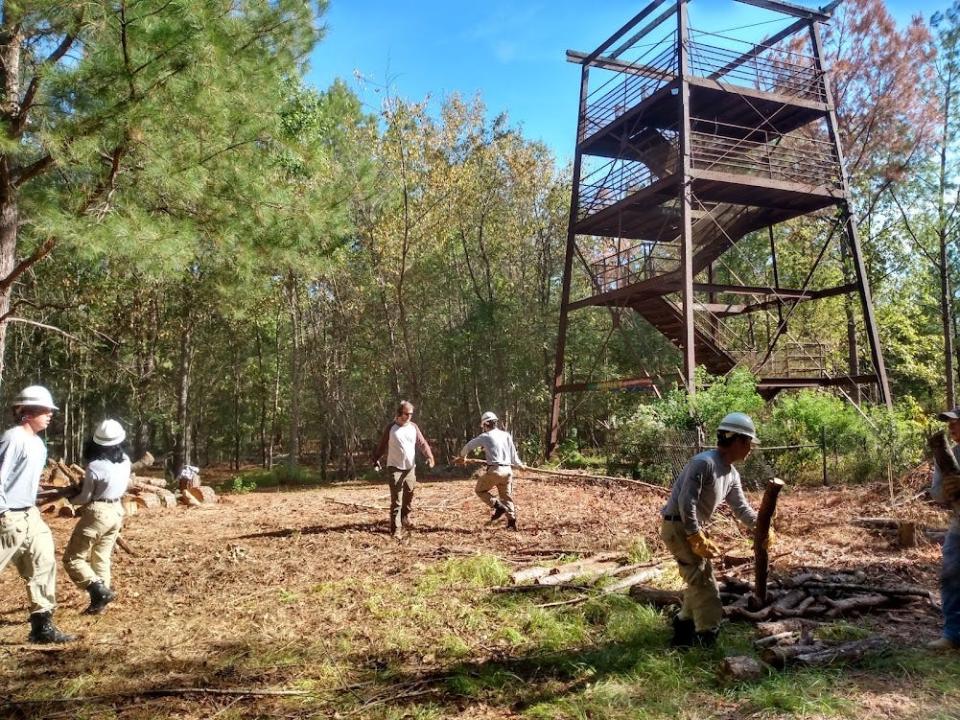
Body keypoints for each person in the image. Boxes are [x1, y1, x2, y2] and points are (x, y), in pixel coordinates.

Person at [660, 412, 774, 648]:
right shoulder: (704, 463)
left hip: (691, 529)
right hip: (678, 526)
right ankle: (706, 639)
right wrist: (693, 534)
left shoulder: (731, 474)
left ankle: (682, 632)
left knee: (698, 579)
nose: (751, 449)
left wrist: (762, 529)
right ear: (739, 441)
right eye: (749, 443)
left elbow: (741, 508)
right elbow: (686, 501)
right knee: (705, 585)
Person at [0, 385, 75, 643]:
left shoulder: (38, 444)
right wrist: (3, 512)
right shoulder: (13, 438)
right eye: (45, 410)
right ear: (27, 412)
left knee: (43, 562)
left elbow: (26, 483)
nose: (50, 414)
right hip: (7, 517)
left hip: (30, 515)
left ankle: (41, 626)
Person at [62, 419, 131, 615]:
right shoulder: (125, 460)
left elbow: (85, 497)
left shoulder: (95, 466)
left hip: (98, 512)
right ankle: (100, 603)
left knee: (73, 559)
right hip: (117, 511)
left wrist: (72, 500)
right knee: (101, 557)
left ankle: (97, 590)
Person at [372, 401, 435, 539]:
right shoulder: (391, 428)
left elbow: (422, 443)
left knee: (409, 494)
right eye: (407, 414)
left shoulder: (413, 427)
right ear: (399, 413)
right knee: (397, 500)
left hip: (410, 468)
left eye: (411, 414)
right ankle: (396, 530)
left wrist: (430, 457)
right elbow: (382, 445)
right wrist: (376, 458)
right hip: (394, 467)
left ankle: (405, 517)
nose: (409, 416)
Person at [455, 411, 524, 531]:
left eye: (483, 426)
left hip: (495, 471)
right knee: (506, 496)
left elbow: (468, 446)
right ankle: (512, 522)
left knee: (480, 490)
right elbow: (513, 455)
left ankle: (498, 506)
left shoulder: (485, 437)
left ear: (486, 424)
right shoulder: (506, 435)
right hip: (508, 471)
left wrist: (462, 457)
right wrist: (520, 465)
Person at [927, 407, 960, 651]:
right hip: (959, 527)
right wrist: (946, 490)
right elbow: (936, 493)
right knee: (950, 576)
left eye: (956, 423)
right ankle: (953, 635)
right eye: (950, 424)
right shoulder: (949, 455)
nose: (952, 428)